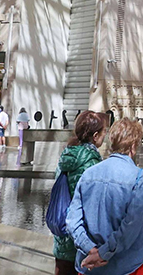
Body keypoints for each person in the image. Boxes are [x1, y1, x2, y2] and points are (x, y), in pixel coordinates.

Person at [66, 118, 143, 275]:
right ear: (134, 145)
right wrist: (102, 253)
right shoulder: (140, 179)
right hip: (127, 265)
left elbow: (72, 221)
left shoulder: (88, 174)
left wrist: (90, 249)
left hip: (88, 265)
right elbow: (130, 227)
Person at [53, 111, 106, 275]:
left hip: (62, 235)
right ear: (96, 136)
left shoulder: (67, 156)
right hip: (82, 241)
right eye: (104, 133)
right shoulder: (92, 163)